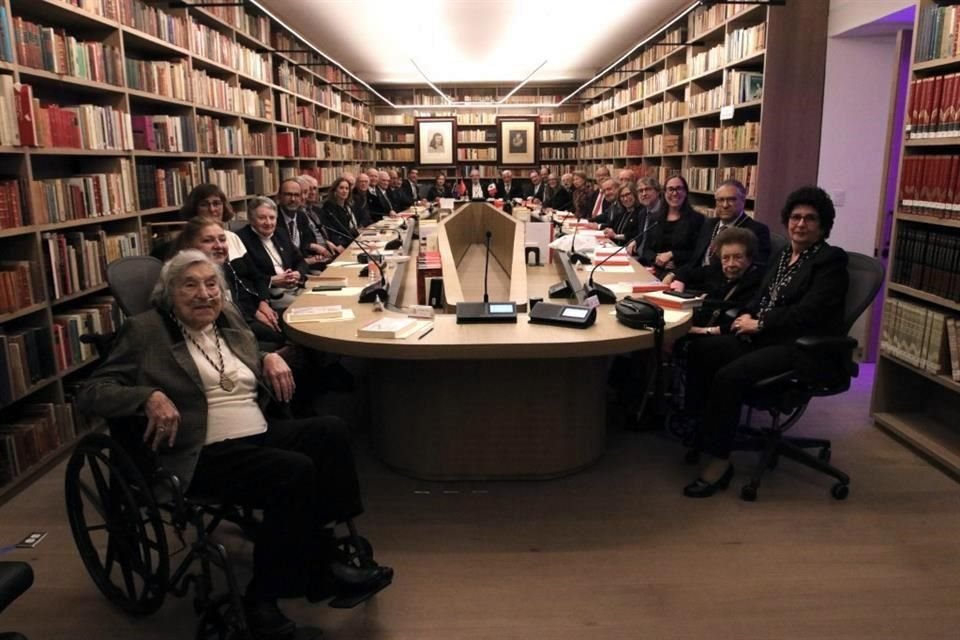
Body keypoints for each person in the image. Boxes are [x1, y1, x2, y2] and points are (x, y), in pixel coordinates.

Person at [76, 250, 392, 639]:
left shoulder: (226, 320)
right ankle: (265, 598)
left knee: (330, 431)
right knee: (294, 472)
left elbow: (239, 357)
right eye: (189, 285)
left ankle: (322, 558)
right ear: (168, 294)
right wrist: (146, 397)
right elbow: (91, 391)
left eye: (211, 284)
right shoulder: (145, 331)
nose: (204, 294)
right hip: (199, 447)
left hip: (254, 429)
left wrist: (267, 359)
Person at [682, 186, 849, 498]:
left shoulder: (830, 261)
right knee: (700, 350)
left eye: (810, 219)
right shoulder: (785, 253)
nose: (801, 224)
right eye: (796, 217)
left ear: (823, 225)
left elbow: (809, 313)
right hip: (766, 336)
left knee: (729, 377)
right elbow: (761, 296)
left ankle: (720, 462)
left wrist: (760, 323)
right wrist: (743, 319)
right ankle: (701, 433)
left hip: (801, 348)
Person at [175, 217, 283, 346]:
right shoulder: (184, 278)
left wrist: (257, 309)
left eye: (222, 239)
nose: (219, 246)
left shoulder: (222, 268)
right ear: (189, 246)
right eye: (208, 240)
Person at [669, 180, 771, 286]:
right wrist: (674, 274)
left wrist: (684, 278)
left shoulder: (757, 230)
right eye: (720, 200)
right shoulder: (709, 224)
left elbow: (754, 272)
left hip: (722, 289)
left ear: (743, 201)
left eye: (731, 199)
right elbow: (694, 260)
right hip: (694, 282)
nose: (725, 205)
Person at [675, 227, 765, 336]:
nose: (731, 264)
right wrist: (677, 291)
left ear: (750, 258)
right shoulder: (716, 270)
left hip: (721, 336)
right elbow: (685, 273)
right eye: (725, 258)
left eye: (738, 257)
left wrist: (699, 330)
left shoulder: (758, 280)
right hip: (696, 325)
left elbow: (738, 324)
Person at [151, 184, 244, 261]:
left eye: (216, 203)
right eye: (204, 205)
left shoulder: (233, 238)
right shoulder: (174, 247)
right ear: (194, 209)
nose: (212, 209)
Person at [638, 175, 705, 277]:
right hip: (655, 271)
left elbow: (697, 254)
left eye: (679, 188)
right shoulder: (655, 219)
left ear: (686, 192)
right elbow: (646, 250)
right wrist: (656, 259)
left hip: (682, 275)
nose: (674, 193)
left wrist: (672, 255)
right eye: (670, 189)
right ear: (664, 193)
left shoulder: (697, 220)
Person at [237, 196, 307, 293]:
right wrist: (271, 281)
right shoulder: (241, 239)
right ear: (251, 219)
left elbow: (300, 261)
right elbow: (246, 277)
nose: (268, 223)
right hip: (269, 293)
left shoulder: (280, 233)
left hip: (294, 287)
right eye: (262, 218)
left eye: (272, 218)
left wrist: (298, 273)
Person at [320, 177, 361, 247]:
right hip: (339, 244)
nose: (344, 191)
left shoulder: (347, 206)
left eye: (347, 188)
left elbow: (350, 229)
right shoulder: (329, 206)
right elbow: (334, 231)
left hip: (349, 242)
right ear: (335, 190)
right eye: (341, 188)